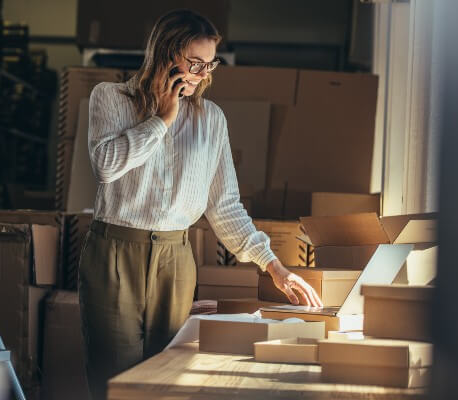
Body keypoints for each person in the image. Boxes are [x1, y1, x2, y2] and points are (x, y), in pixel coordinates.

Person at [77, 9, 323, 399]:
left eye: (209, 65)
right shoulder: (111, 97)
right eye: (194, 63)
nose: (201, 75)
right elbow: (106, 167)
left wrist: (274, 266)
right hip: (114, 252)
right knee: (115, 378)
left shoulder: (211, 120)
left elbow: (224, 206)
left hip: (176, 258)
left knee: (168, 375)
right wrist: (161, 119)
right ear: (164, 52)